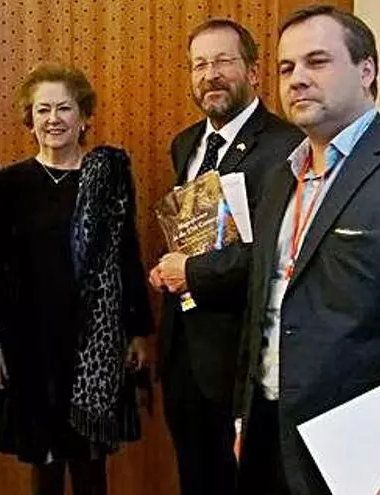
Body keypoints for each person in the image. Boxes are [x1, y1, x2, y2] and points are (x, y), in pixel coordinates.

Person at [237, 6, 380, 495]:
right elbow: (263, 309)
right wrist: (242, 419)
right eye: (286, 67)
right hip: (267, 434)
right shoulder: (279, 178)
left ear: (366, 70)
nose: (297, 79)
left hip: (359, 450)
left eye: (317, 61)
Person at [0, 62, 152, 495]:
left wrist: (137, 332)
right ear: (30, 119)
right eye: (43, 110)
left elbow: (127, 255)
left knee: (91, 465)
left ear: (84, 117)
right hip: (30, 342)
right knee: (45, 465)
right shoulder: (9, 183)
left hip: (93, 343)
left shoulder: (108, 177)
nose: (53, 119)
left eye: (64, 108)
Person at [147, 19, 302, 495]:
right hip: (182, 352)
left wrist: (190, 271)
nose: (209, 74)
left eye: (222, 61)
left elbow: (277, 250)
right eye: (199, 65)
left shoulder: (287, 146)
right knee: (194, 478)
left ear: (253, 71)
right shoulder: (185, 143)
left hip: (239, 357)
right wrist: (169, 267)